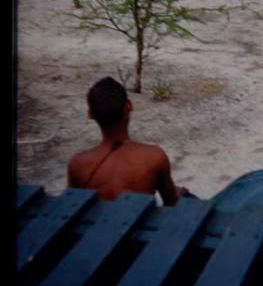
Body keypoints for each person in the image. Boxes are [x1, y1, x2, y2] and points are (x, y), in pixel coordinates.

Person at [67, 76, 191, 206]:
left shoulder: (77, 164)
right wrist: (181, 194)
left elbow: (72, 207)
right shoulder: (154, 156)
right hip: (136, 223)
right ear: (129, 106)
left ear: (90, 114)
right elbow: (171, 204)